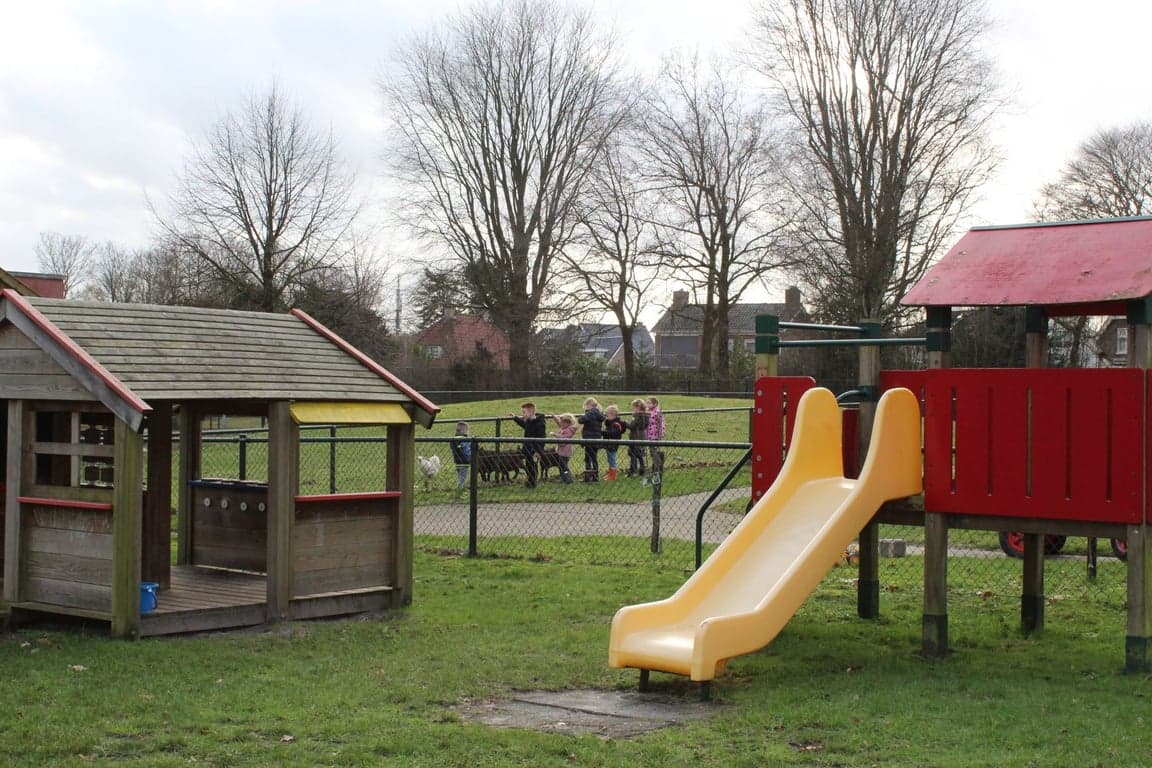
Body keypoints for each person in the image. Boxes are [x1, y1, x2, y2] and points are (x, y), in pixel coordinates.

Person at [509, 402, 547, 488]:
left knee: (533, 466)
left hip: (535, 450)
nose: (523, 415)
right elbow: (524, 424)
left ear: (531, 412)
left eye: (524, 412)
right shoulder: (529, 421)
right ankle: (529, 481)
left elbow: (542, 438)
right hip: (527, 449)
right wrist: (515, 418)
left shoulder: (539, 424)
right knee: (528, 466)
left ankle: (533, 483)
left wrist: (538, 451)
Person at [576, 397, 604, 482]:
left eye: (586, 406)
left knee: (587, 458)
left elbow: (581, 420)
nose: (585, 408)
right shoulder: (598, 414)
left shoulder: (590, 413)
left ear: (589, 405)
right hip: (596, 439)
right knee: (594, 458)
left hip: (589, 440)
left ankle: (587, 477)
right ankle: (595, 476)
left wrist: (584, 414)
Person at [624, 398, 649, 479]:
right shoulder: (646, 415)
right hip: (642, 436)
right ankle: (642, 470)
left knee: (633, 454)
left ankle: (632, 470)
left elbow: (632, 426)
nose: (633, 409)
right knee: (640, 455)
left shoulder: (637, 416)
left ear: (638, 407)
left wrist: (624, 423)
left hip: (635, 437)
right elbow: (645, 426)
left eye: (634, 407)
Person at [551, 413, 577, 483]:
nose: (561, 424)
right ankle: (563, 477)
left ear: (568, 423)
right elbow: (558, 422)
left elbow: (564, 438)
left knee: (564, 466)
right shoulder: (564, 427)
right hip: (561, 450)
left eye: (563, 422)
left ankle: (568, 478)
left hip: (565, 452)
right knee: (561, 465)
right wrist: (554, 416)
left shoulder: (569, 430)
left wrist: (556, 435)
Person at [645, 396, 665, 486]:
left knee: (655, 454)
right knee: (652, 454)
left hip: (655, 436)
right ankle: (654, 472)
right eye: (647, 403)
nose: (647, 404)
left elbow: (661, 424)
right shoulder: (647, 411)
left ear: (655, 404)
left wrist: (660, 434)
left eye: (649, 403)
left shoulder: (657, 412)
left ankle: (657, 471)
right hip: (648, 436)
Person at [601, 404, 625, 481]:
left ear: (612, 415)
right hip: (609, 444)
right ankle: (610, 473)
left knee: (612, 459)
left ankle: (613, 475)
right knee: (610, 459)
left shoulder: (616, 424)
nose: (606, 417)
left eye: (607, 415)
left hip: (613, 444)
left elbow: (613, 433)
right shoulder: (611, 424)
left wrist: (603, 432)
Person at [450, 421, 472, 493]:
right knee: (462, 478)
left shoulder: (453, 440)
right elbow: (467, 452)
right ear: (463, 431)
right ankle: (459, 490)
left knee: (460, 476)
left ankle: (460, 488)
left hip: (457, 462)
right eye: (467, 430)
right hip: (464, 462)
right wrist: (471, 459)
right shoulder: (465, 440)